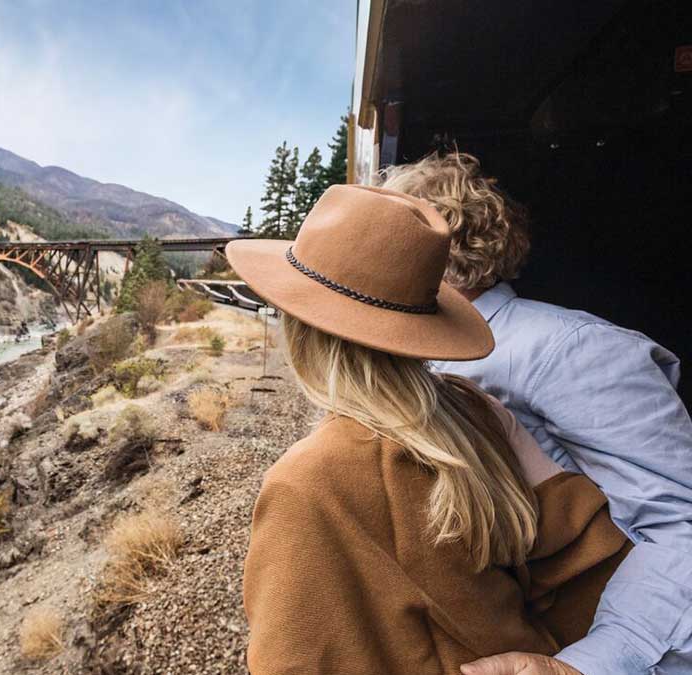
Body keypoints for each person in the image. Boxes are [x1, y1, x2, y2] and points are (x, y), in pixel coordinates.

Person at [228, 185, 629, 675]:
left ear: (300, 327)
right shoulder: (472, 412)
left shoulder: (306, 482)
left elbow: (293, 662)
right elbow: (593, 570)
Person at [383, 153, 692, 675]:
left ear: (441, 248)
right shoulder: (418, 357)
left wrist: (585, 666)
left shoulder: (573, 350)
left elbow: (682, 526)